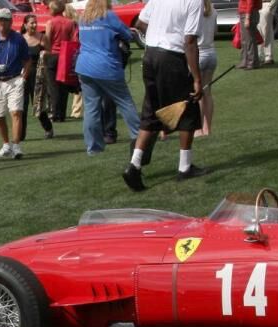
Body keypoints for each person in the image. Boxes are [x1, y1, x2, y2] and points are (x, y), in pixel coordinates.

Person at [122, 0, 204, 191]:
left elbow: (140, 23)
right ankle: (185, 167)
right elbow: (190, 41)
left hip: (150, 55)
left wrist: (159, 32)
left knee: (151, 112)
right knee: (188, 107)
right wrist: (197, 79)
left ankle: (134, 165)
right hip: (172, 57)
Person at [74, 0, 138, 156]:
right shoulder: (109, 16)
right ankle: (139, 135)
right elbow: (128, 35)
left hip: (85, 67)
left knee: (91, 109)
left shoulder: (83, 18)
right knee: (125, 102)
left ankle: (93, 147)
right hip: (107, 66)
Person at [0, 8, 30, 159]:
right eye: (0, 20)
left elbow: (28, 60)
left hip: (14, 79)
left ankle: (16, 145)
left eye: (5, 20)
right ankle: (6, 144)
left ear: (11, 22)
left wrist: (24, 76)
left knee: (16, 112)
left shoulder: (18, 39)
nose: (2, 23)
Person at [41, 0, 76, 123]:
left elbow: (48, 38)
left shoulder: (50, 22)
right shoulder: (70, 23)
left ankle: (55, 113)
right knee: (64, 85)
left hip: (53, 55)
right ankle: (62, 113)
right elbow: (74, 39)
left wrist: (47, 50)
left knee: (53, 85)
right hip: (65, 56)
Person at [22, 14, 54, 138]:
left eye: (35, 22)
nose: (34, 25)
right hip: (24, 75)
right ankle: (20, 134)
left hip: (38, 75)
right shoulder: (21, 39)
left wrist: (46, 53)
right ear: (25, 25)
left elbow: (50, 54)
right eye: (32, 23)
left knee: (38, 106)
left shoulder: (42, 37)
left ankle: (48, 128)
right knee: (22, 106)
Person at [196, 0, 215, 135]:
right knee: (207, 93)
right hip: (211, 53)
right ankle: (207, 128)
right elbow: (216, 30)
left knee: (198, 94)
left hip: (199, 53)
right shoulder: (213, 9)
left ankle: (198, 129)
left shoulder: (194, 11)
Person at [238, 0, 260, 69]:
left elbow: (250, 2)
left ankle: (251, 62)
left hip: (248, 14)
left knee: (249, 40)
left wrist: (247, 17)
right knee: (245, 40)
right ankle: (245, 61)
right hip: (246, 13)